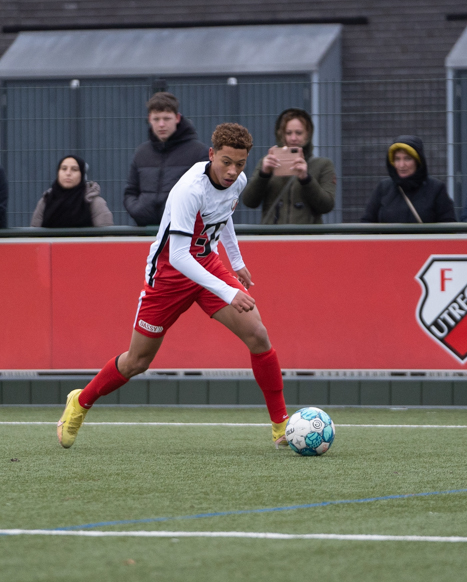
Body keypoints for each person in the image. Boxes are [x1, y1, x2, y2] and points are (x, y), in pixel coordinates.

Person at [57, 123, 289, 450]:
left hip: (206, 264)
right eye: (226, 162)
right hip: (169, 275)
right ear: (211, 155)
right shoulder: (189, 190)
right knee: (138, 360)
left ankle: (281, 427)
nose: (233, 170)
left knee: (258, 335)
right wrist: (227, 291)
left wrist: (236, 262)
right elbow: (179, 256)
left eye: (240, 163)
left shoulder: (237, 180)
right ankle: (80, 402)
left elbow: (223, 216)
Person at [123, 92, 208, 226]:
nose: (161, 124)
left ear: (177, 118)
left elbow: (207, 193)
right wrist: (138, 210)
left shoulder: (198, 152)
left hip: (183, 231)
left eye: (167, 118)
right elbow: (130, 191)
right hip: (144, 230)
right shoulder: (141, 152)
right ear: (149, 119)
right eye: (156, 119)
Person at [242, 108, 336, 224]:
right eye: (288, 133)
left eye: (299, 133)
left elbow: (327, 205)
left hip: (308, 238)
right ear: (281, 135)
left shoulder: (323, 165)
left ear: (308, 135)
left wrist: (306, 179)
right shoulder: (266, 163)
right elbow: (249, 201)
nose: (293, 138)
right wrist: (264, 174)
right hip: (273, 238)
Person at [360, 136, 457, 223]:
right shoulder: (383, 188)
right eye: (397, 159)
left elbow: (448, 226)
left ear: (418, 161)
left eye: (407, 159)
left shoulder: (436, 189)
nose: (401, 165)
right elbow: (366, 223)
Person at [30, 155, 114, 228]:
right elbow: (33, 235)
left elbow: (106, 237)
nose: (68, 173)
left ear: (82, 174)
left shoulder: (93, 201)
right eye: (64, 169)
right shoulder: (46, 201)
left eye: (74, 169)